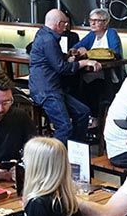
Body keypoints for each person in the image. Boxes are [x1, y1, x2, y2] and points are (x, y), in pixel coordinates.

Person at [29, 9, 98, 145]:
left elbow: (55, 60)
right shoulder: (49, 40)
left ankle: (74, 151)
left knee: (83, 112)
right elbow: (62, 68)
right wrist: (83, 63)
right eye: (65, 24)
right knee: (64, 127)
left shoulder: (43, 34)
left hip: (49, 87)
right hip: (46, 91)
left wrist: (67, 56)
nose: (66, 27)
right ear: (59, 24)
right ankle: (54, 159)